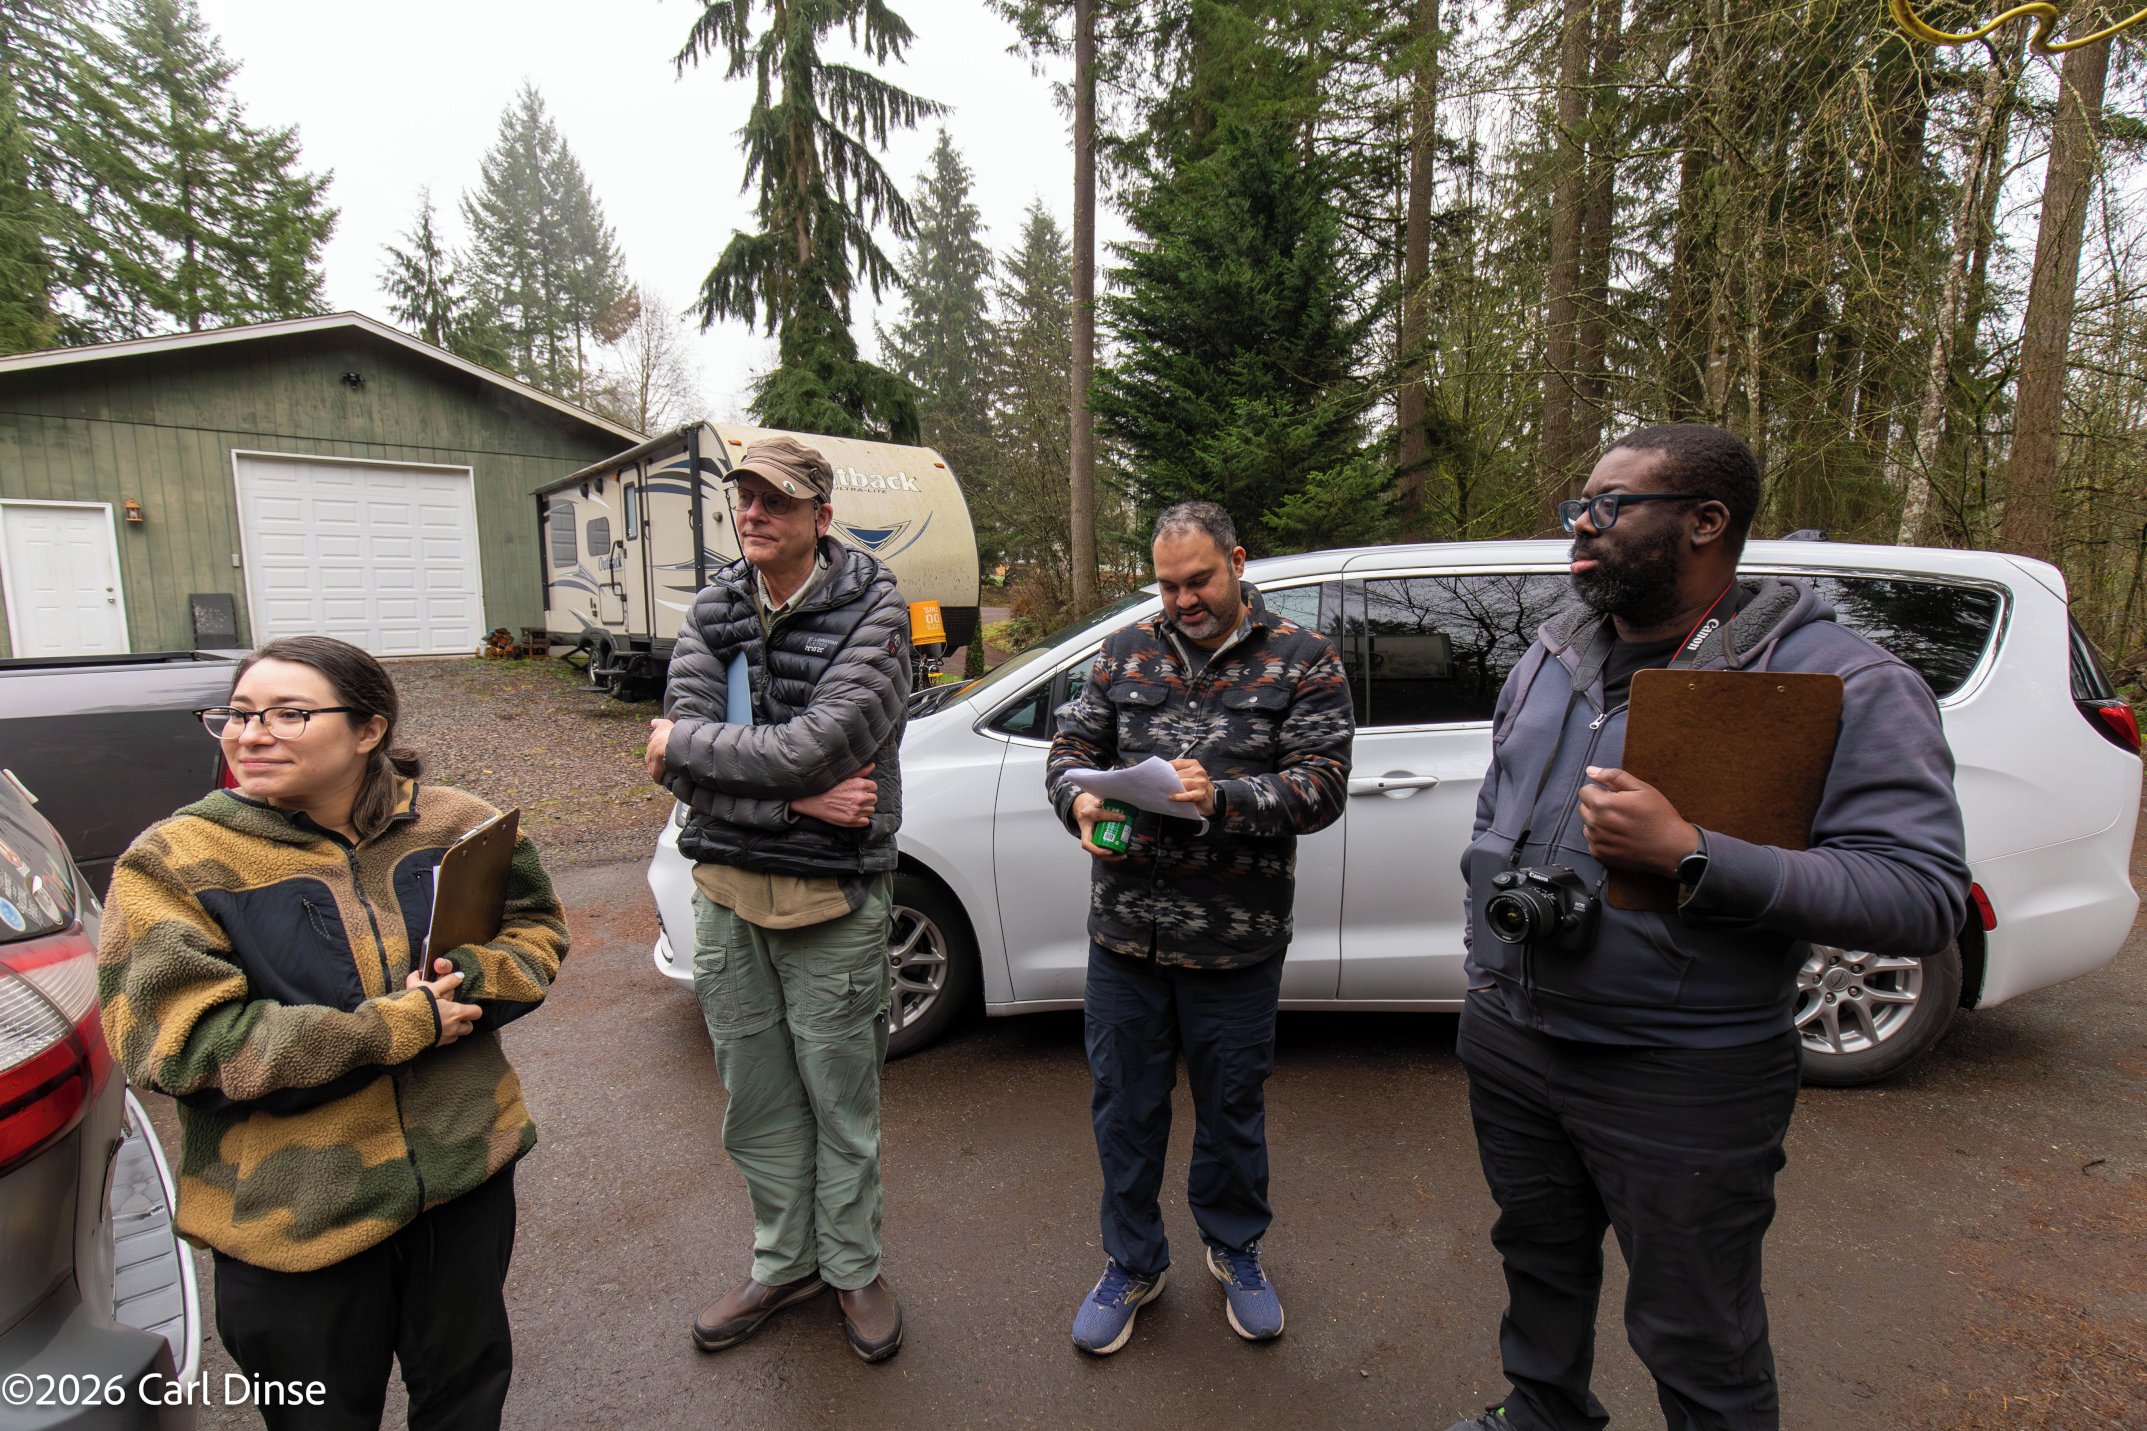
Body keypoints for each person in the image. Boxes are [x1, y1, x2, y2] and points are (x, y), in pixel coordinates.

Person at [1444, 425, 1970, 1431]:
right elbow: (1493, 813)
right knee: (1537, 1261)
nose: (1579, 528)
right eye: (1576, 507)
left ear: (1704, 521)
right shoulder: (1553, 651)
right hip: (1513, 1036)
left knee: (1696, 1326)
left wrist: (1692, 852)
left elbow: (1918, 893)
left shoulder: (1842, 682)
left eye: (1607, 506)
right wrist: (1484, 965)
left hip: (1681, 1066)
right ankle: (1543, 1413)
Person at [98, 635, 569, 1431]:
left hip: (463, 1173)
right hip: (294, 1215)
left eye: (288, 713)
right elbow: (179, 1043)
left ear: (368, 729)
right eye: (238, 714)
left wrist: (471, 980)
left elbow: (536, 926)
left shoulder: (458, 824)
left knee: (465, 1393)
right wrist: (399, 1026)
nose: (251, 734)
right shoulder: (175, 861)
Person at [1044, 500, 1353, 1355]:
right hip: (1124, 938)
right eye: (1167, 584)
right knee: (1124, 1110)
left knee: (1230, 1110)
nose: (1182, 599)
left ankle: (1235, 1248)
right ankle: (1132, 1262)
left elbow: (1322, 786)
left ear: (1237, 562)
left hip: (1235, 938)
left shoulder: (1303, 657)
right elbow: (1068, 751)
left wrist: (1219, 797)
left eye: (1199, 580)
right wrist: (1078, 801)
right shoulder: (1123, 650)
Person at [643, 435, 912, 1364]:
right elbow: (673, 765)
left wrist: (702, 754)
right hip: (724, 894)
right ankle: (784, 1261)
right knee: (755, 1100)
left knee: (840, 1100)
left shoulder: (876, 613)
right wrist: (796, 801)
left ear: (820, 517)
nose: (753, 513)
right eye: (744, 497)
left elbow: (816, 745)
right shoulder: (715, 606)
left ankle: (853, 1266)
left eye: (776, 500)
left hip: (831, 897)